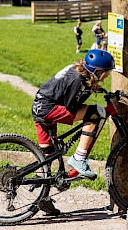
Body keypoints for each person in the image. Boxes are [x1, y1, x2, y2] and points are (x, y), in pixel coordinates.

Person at [30, 49, 115, 215]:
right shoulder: (76, 80)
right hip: (48, 109)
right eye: (106, 73)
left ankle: (42, 198)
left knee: (47, 155)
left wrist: (94, 88)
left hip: (40, 106)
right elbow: (71, 106)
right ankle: (79, 158)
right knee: (94, 113)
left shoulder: (79, 72)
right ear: (98, 72)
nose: (106, 77)